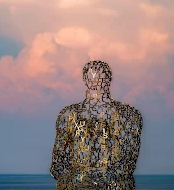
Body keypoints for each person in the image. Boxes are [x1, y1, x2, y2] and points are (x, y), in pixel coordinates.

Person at [49, 60, 143, 189]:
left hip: (83, 183)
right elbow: (129, 160)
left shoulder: (128, 114)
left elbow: (57, 163)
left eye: (98, 80)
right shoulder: (129, 114)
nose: (96, 83)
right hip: (106, 183)